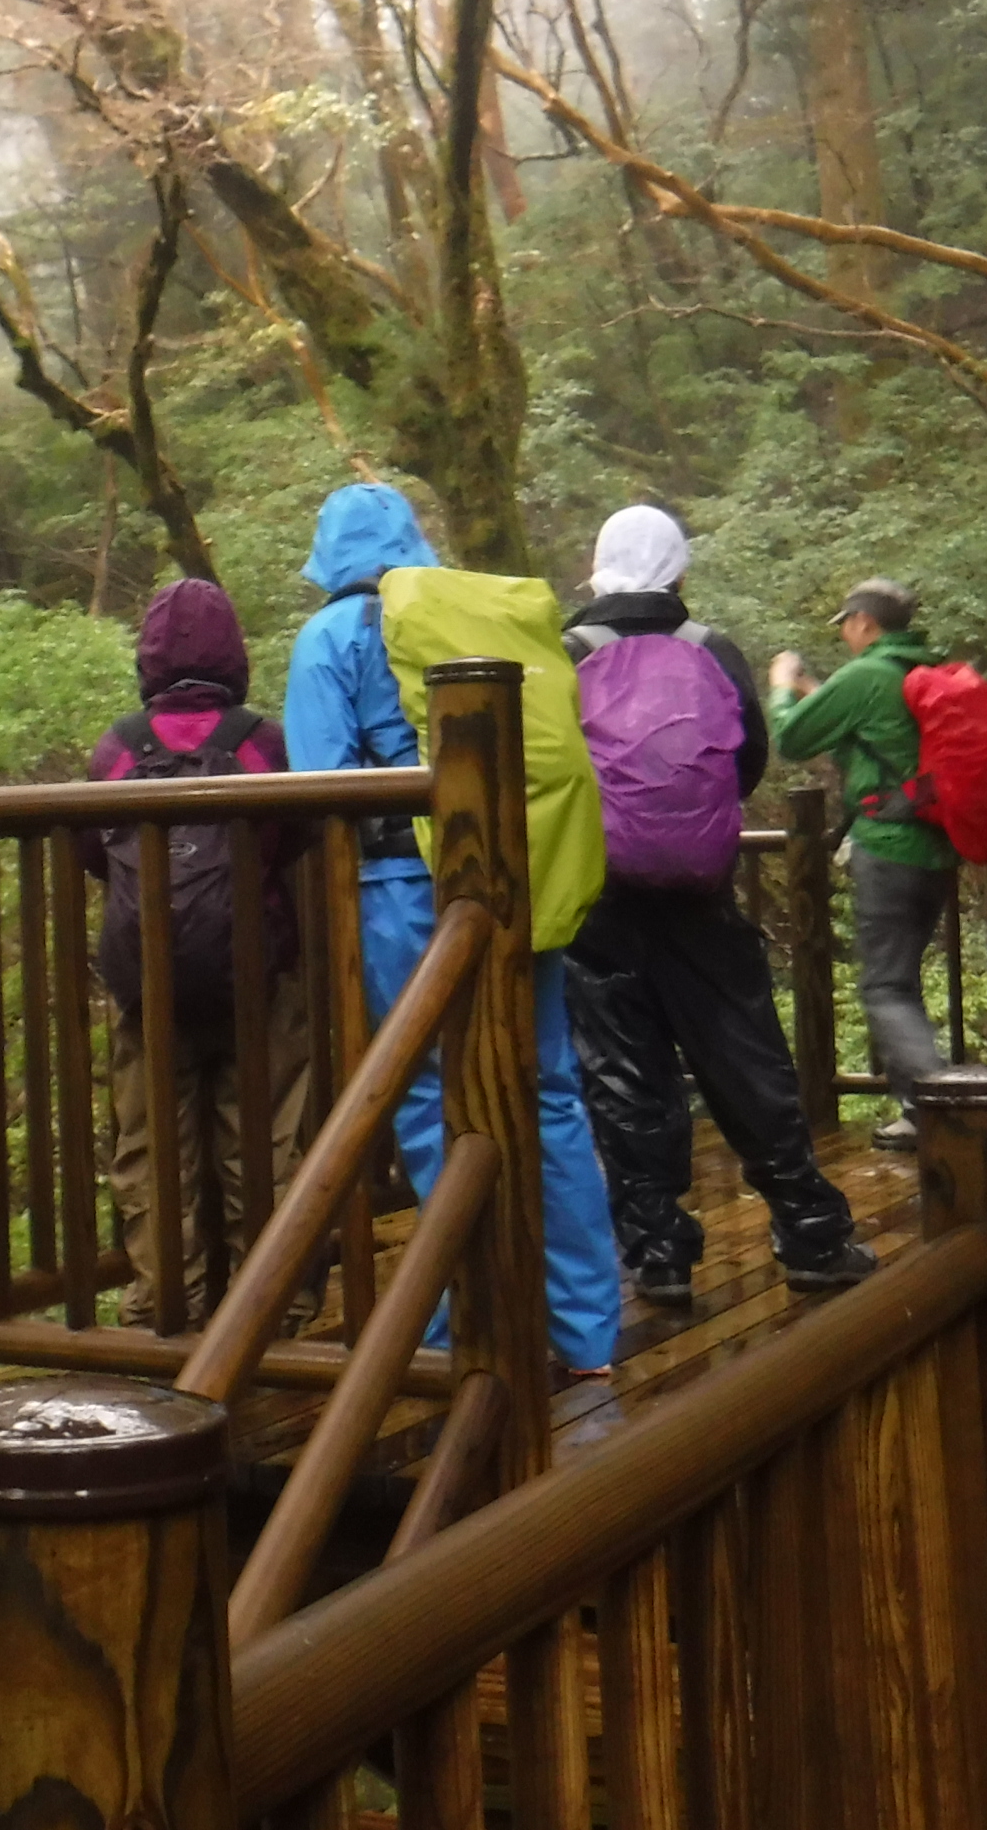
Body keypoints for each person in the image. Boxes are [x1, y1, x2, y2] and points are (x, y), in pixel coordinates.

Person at [283, 483, 626, 1374]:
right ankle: (587, 1327)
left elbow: (320, 781)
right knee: (547, 1088)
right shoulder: (475, 616)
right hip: (512, 873)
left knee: (430, 1095)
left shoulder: (330, 637)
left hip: (401, 887)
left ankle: (466, 1321)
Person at [563, 507, 876, 1300]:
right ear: (677, 570)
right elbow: (749, 758)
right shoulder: (712, 649)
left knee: (623, 1071)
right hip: (702, 890)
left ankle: (658, 1252)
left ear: (598, 567)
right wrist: (691, 830)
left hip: (600, 892)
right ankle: (811, 1234)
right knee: (745, 1056)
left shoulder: (565, 653)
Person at [74, 577, 312, 1328]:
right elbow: (289, 841)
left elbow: (93, 851)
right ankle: (273, 1299)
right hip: (255, 970)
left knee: (152, 1143)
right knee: (269, 1133)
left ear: (147, 656)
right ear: (234, 651)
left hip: (149, 981)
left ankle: (163, 1302)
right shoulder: (261, 743)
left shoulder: (115, 749)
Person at [768, 578, 955, 1151]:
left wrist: (780, 689)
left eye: (847, 624)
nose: (846, 635)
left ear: (864, 624)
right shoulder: (918, 671)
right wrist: (812, 687)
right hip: (935, 846)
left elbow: (793, 739)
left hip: (890, 847)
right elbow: (868, 733)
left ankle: (943, 1110)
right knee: (900, 981)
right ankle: (918, 1111)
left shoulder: (867, 676)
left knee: (885, 988)